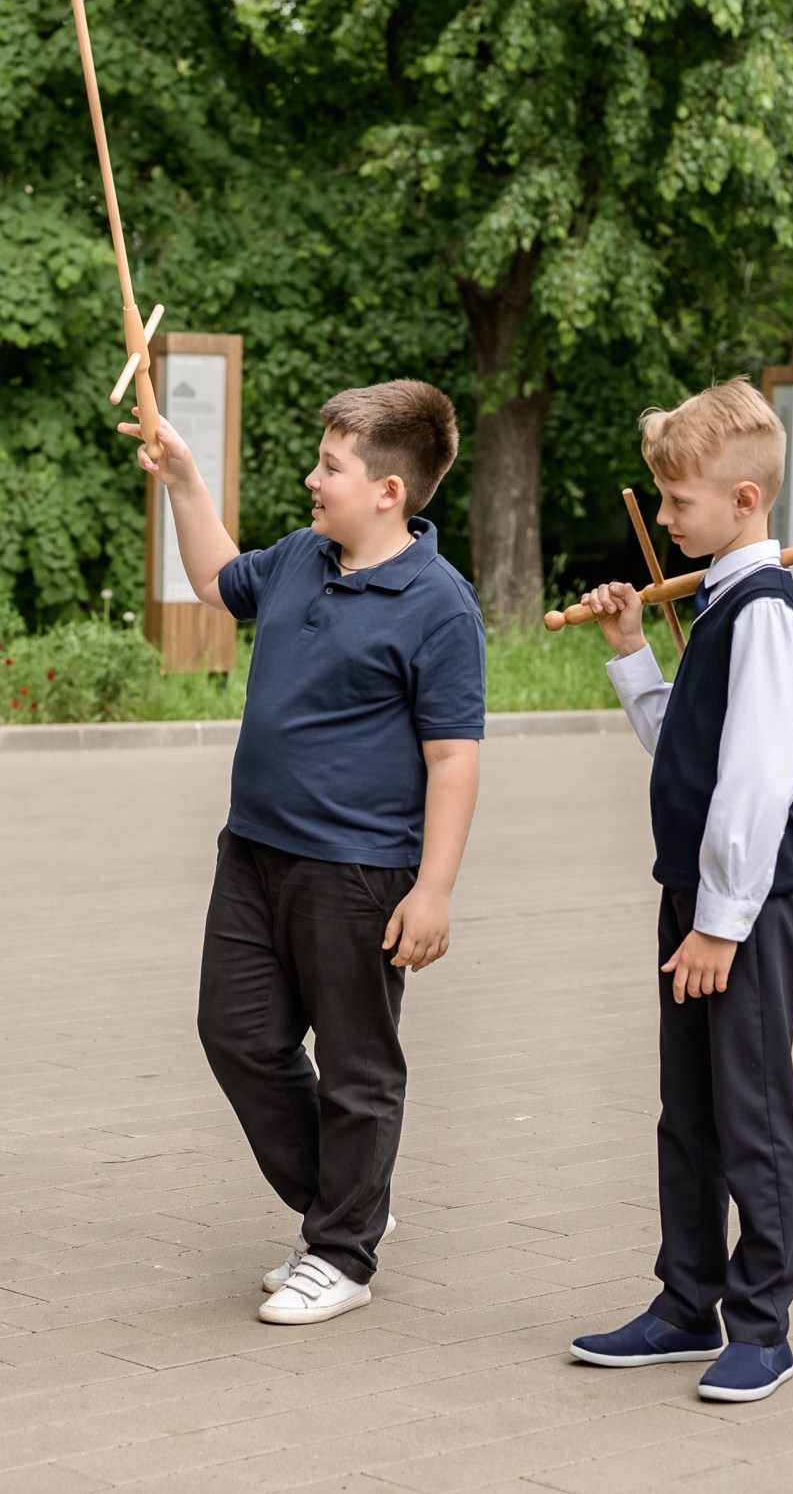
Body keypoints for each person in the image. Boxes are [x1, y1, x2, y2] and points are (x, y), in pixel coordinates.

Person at [119, 379, 485, 1327]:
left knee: (359, 1063)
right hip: (251, 853)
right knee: (237, 1034)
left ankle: (342, 1251)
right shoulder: (297, 559)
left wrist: (434, 889)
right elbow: (214, 580)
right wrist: (182, 480)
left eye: (331, 466)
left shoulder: (438, 606)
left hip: (358, 872)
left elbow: (452, 758)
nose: (313, 479)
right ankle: (350, 1202)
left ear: (389, 491)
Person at [568, 378, 793, 1402]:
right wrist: (633, 653)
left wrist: (718, 923)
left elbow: (757, 783)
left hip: (743, 908)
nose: (662, 518)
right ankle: (686, 1301)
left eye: (676, 503)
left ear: (745, 500)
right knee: (690, 1108)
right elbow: (685, 749)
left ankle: (760, 1325)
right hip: (698, 901)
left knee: (749, 1110)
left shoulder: (762, 611)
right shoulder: (719, 598)